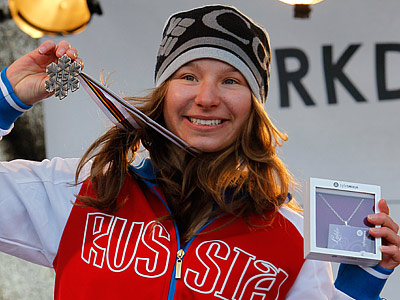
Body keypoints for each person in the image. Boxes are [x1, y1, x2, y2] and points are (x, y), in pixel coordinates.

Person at [0, 4, 399, 300]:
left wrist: (358, 290)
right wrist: (5, 101)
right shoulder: (79, 190)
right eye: (188, 76)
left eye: (231, 80)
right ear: (164, 93)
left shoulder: (289, 238)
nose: (207, 98)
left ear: (254, 108)